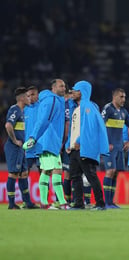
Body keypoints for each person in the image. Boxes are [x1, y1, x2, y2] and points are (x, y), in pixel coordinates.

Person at [23, 79, 69, 209]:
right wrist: (33, 137)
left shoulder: (51, 100)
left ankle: (44, 202)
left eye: (64, 86)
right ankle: (62, 203)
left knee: (46, 171)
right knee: (57, 171)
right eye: (61, 86)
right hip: (49, 140)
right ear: (54, 88)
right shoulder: (52, 100)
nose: (64, 88)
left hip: (45, 141)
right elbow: (44, 120)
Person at [69, 81, 109, 210]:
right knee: (75, 177)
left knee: (91, 176)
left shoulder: (88, 106)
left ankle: (100, 204)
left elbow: (90, 128)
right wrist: (69, 143)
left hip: (83, 148)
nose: (72, 93)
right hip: (74, 149)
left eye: (75, 90)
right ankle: (79, 203)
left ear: (81, 92)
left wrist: (79, 141)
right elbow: (74, 128)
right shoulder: (76, 108)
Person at [5, 87, 37, 209]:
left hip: (20, 149)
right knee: (13, 174)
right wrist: (14, 140)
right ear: (22, 98)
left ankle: (27, 202)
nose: (30, 98)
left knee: (23, 174)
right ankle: (11, 204)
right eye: (27, 96)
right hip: (13, 148)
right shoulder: (15, 109)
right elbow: (8, 125)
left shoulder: (22, 112)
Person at [101, 88, 129, 209]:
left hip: (119, 147)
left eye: (124, 97)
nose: (124, 99)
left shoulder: (124, 112)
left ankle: (111, 202)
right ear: (114, 97)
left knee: (115, 173)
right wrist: (105, 143)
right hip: (109, 147)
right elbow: (101, 126)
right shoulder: (108, 109)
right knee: (110, 171)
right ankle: (105, 202)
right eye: (121, 97)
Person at [24, 86, 41, 175]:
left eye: (33, 94)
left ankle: (44, 189)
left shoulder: (42, 107)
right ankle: (24, 189)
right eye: (28, 95)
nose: (30, 97)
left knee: (42, 174)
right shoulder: (24, 109)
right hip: (28, 147)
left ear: (37, 95)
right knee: (24, 173)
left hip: (40, 146)